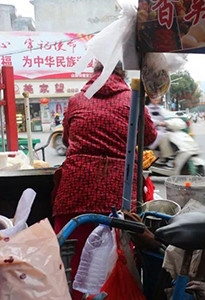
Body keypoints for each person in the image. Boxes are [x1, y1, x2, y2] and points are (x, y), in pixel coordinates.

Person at [52, 62, 158, 299]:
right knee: (115, 265)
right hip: (117, 196)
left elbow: (68, 139)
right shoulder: (133, 99)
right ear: (123, 72)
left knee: (73, 264)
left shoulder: (77, 99)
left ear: (94, 72)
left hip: (73, 193)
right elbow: (150, 136)